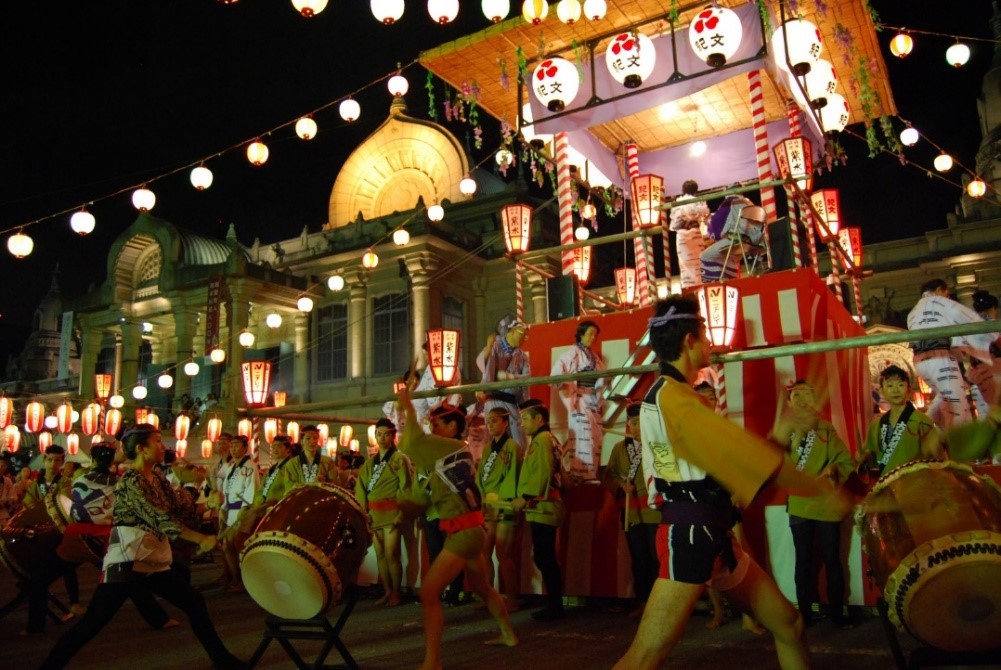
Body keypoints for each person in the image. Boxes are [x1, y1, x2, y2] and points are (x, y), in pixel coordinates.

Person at [613, 294, 850, 670]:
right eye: (704, 337)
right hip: (690, 534)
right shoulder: (674, 397)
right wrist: (817, 488)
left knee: (789, 624)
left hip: (712, 531)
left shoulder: (672, 395)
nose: (709, 345)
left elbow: (730, 466)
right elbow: (744, 459)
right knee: (644, 658)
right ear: (690, 342)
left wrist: (779, 435)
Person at [40, 425, 244, 670]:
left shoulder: (156, 478)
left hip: (150, 559)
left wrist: (206, 502)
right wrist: (199, 538)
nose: (163, 446)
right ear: (140, 449)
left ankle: (221, 660)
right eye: (157, 441)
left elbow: (178, 505)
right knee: (91, 624)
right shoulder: (128, 482)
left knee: (194, 602)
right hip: (127, 560)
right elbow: (157, 517)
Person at [396, 386, 517, 670]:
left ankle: (432, 661)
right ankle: (508, 634)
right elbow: (422, 499)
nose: (431, 427)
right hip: (472, 530)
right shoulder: (451, 455)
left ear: (452, 427)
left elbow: (411, 441)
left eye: (437, 422)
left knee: (428, 593)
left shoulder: (448, 448)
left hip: (464, 533)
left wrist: (406, 405)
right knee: (484, 588)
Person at [772, 380, 854, 628]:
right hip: (798, 502)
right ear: (789, 402)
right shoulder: (784, 432)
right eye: (796, 396)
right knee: (804, 560)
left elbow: (845, 461)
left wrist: (833, 469)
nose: (802, 400)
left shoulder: (826, 429)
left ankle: (838, 615)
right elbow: (773, 464)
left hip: (826, 505)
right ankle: (804, 615)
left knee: (832, 559)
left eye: (807, 395)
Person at [907, 278, 1000, 427]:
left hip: (920, 361)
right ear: (939, 290)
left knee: (945, 397)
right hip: (940, 357)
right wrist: (993, 337)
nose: (947, 297)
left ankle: (927, 428)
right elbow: (967, 319)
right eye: (946, 294)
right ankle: (955, 441)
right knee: (958, 406)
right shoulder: (939, 301)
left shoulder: (912, 312)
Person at [601, 403, 658, 614]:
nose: (635, 428)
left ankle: (660, 604)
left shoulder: (655, 444)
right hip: (630, 512)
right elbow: (610, 475)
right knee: (639, 559)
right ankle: (643, 601)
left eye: (639, 422)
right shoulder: (619, 448)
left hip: (653, 511)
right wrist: (620, 485)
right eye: (632, 423)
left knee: (656, 558)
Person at [512, 402, 565, 621]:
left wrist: (525, 497)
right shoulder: (547, 439)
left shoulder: (542, 441)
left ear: (539, 420)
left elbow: (542, 472)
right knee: (544, 557)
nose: (522, 424)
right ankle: (554, 604)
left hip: (543, 505)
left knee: (545, 557)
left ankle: (555, 605)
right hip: (543, 505)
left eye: (525, 419)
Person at [355, 418, 412, 607]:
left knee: (391, 554)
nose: (382, 438)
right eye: (379, 434)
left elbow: (406, 487)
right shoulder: (370, 463)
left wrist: (402, 512)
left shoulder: (399, 459)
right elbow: (361, 488)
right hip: (374, 513)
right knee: (380, 555)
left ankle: (396, 592)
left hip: (392, 513)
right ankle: (387, 591)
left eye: (386, 434)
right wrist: (364, 512)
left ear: (393, 436)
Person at [858, 365, 943, 478]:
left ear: (909, 389)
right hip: (887, 484)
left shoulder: (921, 421)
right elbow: (871, 453)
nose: (895, 390)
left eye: (900, 385)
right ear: (882, 391)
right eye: (890, 386)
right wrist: (864, 456)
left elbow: (936, 457)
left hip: (916, 483)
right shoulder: (876, 425)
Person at [477, 407, 522, 611]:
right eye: (488, 421)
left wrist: (501, 497)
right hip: (488, 504)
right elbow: (480, 478)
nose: (490, 424)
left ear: (505, 422)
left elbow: (513, 474)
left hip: (505, 503)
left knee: (504, 552)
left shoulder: (512, 446)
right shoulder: (487, 449)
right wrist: (483, 498)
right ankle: (489, 597)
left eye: (494, 420)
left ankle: (511, 598)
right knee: (485, 551)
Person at [551, 320, 606, 482]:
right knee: (583, 437)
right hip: (579, 400)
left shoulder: (594, 357)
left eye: (595, 335)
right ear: (581, 334)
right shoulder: (571, 354)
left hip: (593, 401)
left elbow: (603, 376)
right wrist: (569, 384)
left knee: (595, 438)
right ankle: (580, 476)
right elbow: (556, 375)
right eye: (589, 333)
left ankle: (592, 474)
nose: (592, 337)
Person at [482, 318, 532, 450]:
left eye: (524, 337)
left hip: (512, 403)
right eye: (521, 335)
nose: (522, 339)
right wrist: (485, 389)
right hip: (494, 400)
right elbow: (487, 374)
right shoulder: (496, 346)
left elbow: (527, 378)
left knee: (518, 442)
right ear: (512, 332)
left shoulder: (522, 356)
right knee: (496, 442)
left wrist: (509, 376)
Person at [218, 435, 259, 593]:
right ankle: (235, 577)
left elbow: (252, 490)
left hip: (243, 509)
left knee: (237, 545)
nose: (233, 449)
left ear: (245, 448)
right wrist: (223, 507)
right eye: (232, 446)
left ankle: (243, 580)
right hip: (230, 509)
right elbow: (225, 490)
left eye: (237, 446)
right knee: (227, 545)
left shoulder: (250, 466)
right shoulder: (231, 466)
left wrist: (244, 510)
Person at [700, 205, 767, 283]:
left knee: (705, 256)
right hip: (755, 242)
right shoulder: (744, 209)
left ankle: (713, 282)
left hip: (740, 242)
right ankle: (730, 278)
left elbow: (717, 235)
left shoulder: (730, 210)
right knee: (723, 255)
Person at [669, 179, 711, 289]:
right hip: (695, 234)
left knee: (685, 265)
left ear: (683, 190)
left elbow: (673, 225)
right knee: (698, 263)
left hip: (682, 235)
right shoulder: (699, 201)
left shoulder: (677, 203)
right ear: (696, 190)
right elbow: (705, 212)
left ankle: (688, 288)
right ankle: (700, 287)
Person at [22, 444, 65, 508]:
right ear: (44, 460)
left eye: (57, 460)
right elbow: (27, 505)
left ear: (62, 462)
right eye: (50, 460)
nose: (53, 463)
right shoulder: (35, 485)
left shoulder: (66, 482)